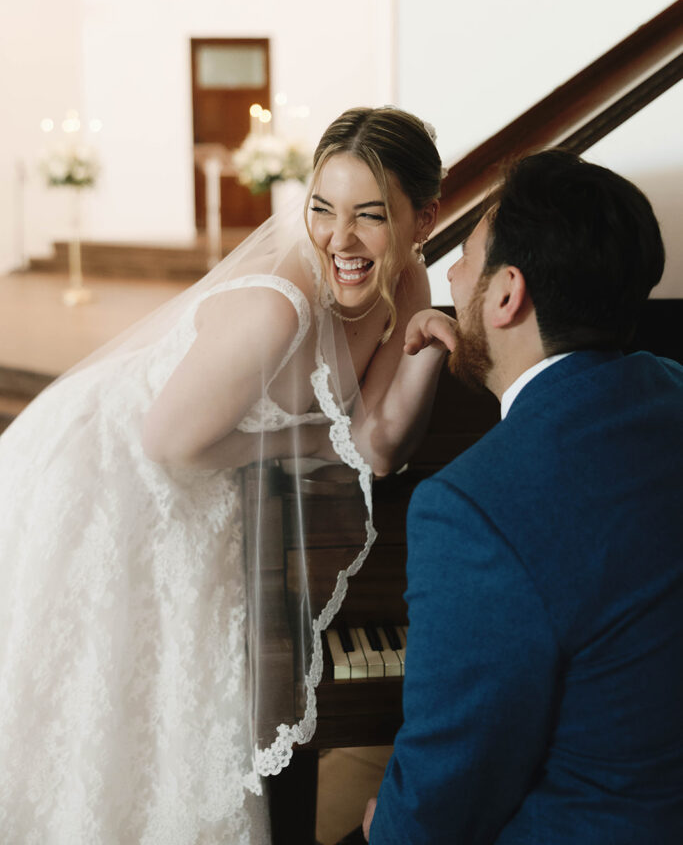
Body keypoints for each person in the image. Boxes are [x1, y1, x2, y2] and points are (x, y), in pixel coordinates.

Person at [0, 106, 451, 844]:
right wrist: (311, 438)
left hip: (205, 485)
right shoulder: (277, 307)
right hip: (114, 481)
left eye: (370, 216)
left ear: (422, 219)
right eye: (322, 209)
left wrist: (428, 349)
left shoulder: (407, 282)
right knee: (91, 715)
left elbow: (374, 446)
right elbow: (165, 445)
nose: (339, 239)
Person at [365, 149, 683, 844]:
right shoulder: (670, 386)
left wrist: (383, 824)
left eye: (465, 258)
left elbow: (444, 791)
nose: (450, 277)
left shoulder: (471, 508)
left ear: (507, 294)